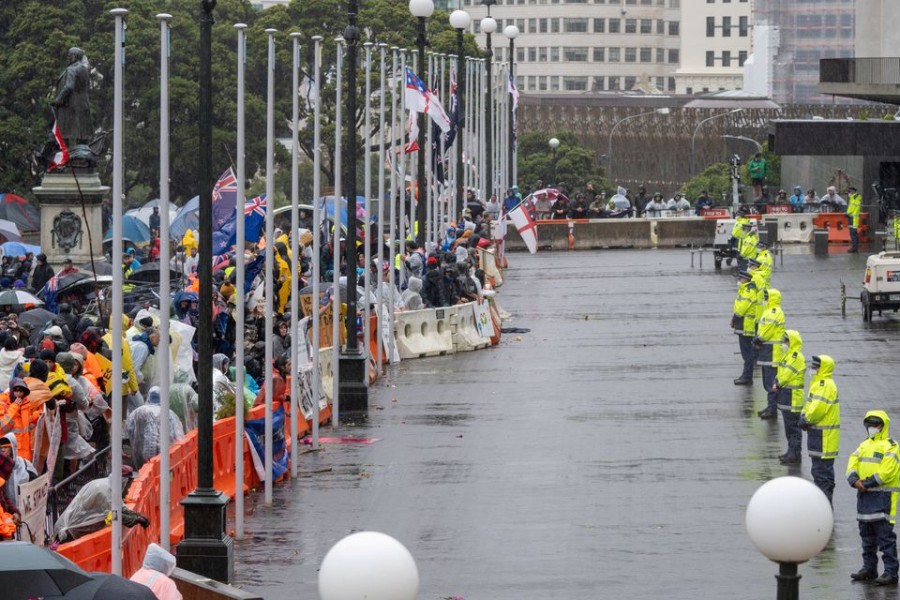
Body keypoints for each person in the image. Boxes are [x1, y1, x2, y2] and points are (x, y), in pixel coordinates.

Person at [846, 410, 899, 586]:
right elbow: (852, 462)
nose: (872, 428)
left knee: (885, 538)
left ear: (883, 426)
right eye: (869, 425)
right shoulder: (863, 445)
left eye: (876, 425)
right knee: (867, 537)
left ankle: (891, 572)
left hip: (882, 498)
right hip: (864, 497)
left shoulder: (891, 446)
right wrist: (854, 480)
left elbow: (887, 472)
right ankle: (869, 569)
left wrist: (865, 484)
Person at [800, 355, 840, 505]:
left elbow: (817, 409)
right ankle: (823, 506)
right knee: (819, 473)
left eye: (816, 367)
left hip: (824, 438)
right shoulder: (818, 384)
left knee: (822, 475)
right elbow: (809, 404)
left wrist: (805, 419)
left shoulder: (825, 385)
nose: (813, 370)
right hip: (819, 436)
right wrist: (804, 415)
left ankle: (825, 508)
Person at [124, 387, 184, 470]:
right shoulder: (169, 413)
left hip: (142, 454)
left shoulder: (138, 412)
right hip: (163, 453)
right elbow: (177, 436)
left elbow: (128, 430)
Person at [773, 330, 805, 463]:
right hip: (786, 396)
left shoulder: (796, 357)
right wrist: (776, 380)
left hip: (792, 398)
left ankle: (795, 454)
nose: (783, 344)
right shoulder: (788, 355)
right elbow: (781, 372)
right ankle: (791, 451)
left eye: (786, 341)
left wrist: (778, 383)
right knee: (789, 427)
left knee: (793, 428)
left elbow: (787, 375)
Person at [754, 288, 785, 420]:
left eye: (767, 296)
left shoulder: (774, 311)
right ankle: (770, 407)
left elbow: (767, 330)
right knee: (767, 381)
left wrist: (758, 339)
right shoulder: (770, 310)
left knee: (771, 381)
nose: (765, 298)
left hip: (772, 350)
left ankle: (772, 410)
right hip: (767, 350)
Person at [51, 47, 92, 146]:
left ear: (75, 56)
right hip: (83, 104)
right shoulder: (85, 70)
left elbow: (69, 86)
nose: (68, 58)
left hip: (70, 106)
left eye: (69, 56)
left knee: (65, 134)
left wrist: (58, 100)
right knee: (82, 134)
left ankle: (65, 157)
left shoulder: (72, 69)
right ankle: (81, 156)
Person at [731, 270, 757, 386]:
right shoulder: (744, 290)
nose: (739, 281)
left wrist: (734, 319)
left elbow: (741, 309)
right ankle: (746, 376)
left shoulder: (748, 291)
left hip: (745, 325)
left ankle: (747, 377)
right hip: (743, 324)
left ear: (746, 279)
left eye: (740, 279)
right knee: (746, 353)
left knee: (747, 353)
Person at [847, 186, 862, 253]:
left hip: (853, 218)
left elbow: (853, 207)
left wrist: (848, 213)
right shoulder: (853, 197)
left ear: (853, 191)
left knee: (853, 233)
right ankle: (854, 247)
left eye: (849, 191)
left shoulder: (855, 198)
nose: (848, 193)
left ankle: (854, 248)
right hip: (852, 217)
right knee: (853, 234)